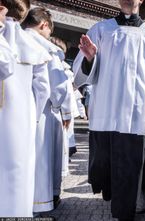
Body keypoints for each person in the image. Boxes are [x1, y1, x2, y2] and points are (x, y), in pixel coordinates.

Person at [73, 0, 145, 219]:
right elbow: (81, 67)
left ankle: (125, 210)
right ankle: (109, 193)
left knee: (130, 160)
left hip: (135, 108)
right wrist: (90, 59)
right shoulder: (101, 28)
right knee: (104, 160)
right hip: (105, 107)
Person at [0, 0, 51, 217]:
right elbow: (43, 90)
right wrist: (33, 119)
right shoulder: (34, 47)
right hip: (20, 123)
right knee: (16, 180)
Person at [22, 7, 71, 212]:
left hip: (12, 111)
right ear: (44, 25)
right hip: (41, 112)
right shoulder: (47, 49)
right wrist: (61, 109)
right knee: (42, 159)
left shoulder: (8, 38)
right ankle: (40, 201)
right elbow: (57, 87)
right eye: (50, 30)